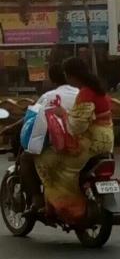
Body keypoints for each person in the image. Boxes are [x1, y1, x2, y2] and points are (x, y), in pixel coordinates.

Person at [34, 56, 115, 223]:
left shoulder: (86, 93)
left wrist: (63, 114)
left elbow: (76, 127)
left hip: (91, 142)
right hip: (107, 140)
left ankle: (68, 208)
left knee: (46, 160)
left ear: (72, 75)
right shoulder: (99, 90)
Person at [17, 60, 78, 211]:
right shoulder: (80, 94)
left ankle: (37, 198)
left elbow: (34, 119)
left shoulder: (49, 96)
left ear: (52, 79)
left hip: (61, 147)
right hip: (86, 144)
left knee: (26, 158)